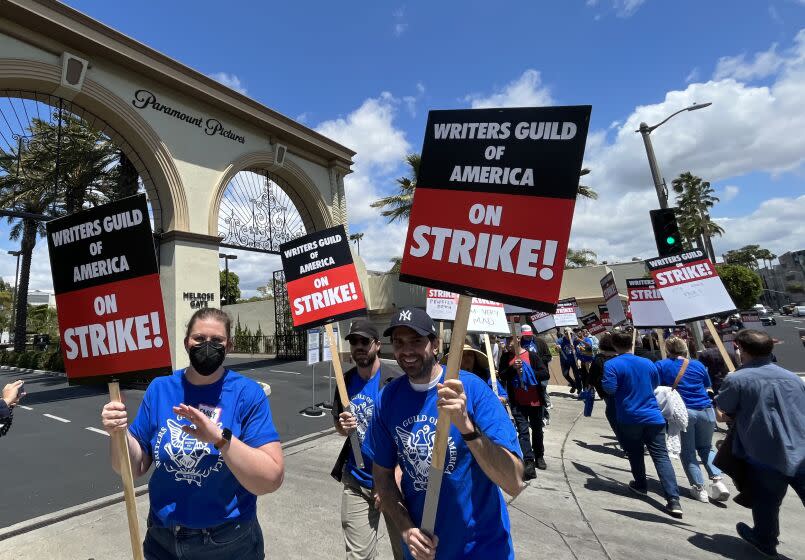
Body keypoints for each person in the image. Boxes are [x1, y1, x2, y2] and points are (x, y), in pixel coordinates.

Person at [101, 308, 284, 560]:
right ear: (187, 341)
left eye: (217, 341)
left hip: (227, 542)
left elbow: (270, 479)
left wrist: (220, 439)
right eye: (199, 339)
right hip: (163, 538)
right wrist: (117, 433)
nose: (207, 347)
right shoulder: (160, 388)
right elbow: (133, 467)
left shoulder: (247, 394)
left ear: (228, 345)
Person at [365, 307, 524, 559]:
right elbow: (382, 475)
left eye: (416, 341)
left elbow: (513, 481)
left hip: (482, 548)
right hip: (425, 551)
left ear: (435, 344)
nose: (406, 350)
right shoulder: (388, 399)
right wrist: (406, 530)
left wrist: (466, 427)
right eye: (398, 342)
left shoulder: (472, 389)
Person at [714, 329, 805, 558]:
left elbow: (723, 412)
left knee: (766, 502)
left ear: (741, 350)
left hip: (764, 453)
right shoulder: (793, 378)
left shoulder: (736, 379)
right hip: (800, 449)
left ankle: (765, 540)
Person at [331, 319, 403, 560]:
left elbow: (408, 434)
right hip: (357, 481)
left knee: (407, 553)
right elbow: (340, 427)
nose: (359, 347)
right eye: (354, 342)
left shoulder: (395, 383)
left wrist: (393, 480)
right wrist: (342, 427)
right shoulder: (345, 383)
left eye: (364, 341)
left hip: (396, 484)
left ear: (377, 345)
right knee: (358, 557)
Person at [602, 330, 683, 518]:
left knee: (635, 452)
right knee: (661, 456)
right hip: (653, 416)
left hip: (629, 416)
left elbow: (609, 389)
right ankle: (673, 499)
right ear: (632, 343)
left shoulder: (611, 364)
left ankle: (640, 484)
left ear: (614, 345)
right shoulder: (648, 363)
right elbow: (655, 384)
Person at [656, 337, 729, 503]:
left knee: (688, 452)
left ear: (668, 350)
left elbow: (657, 387)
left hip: (684, 412)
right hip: (706, 409)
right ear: (684, 349)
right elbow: (707, 386)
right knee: (706, 447)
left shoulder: (661, 365)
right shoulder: (697, 365)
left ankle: (699, 488)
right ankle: (717, 480)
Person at [499, 336, 550, 479]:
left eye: (509, 341)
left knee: (537, 429)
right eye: (506, 341)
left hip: (535, 401)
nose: (507, 344)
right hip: (517, 402)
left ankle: (539, 455)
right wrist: (513, 368)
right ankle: (528, 462)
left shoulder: (532, 356)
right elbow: (502, 376)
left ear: (517, 340)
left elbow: (545, 373)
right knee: (523, 431)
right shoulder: (505, 358)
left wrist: (527, 371)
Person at [587, 333, 621, 451]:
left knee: (613, 416)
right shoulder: (621, 358)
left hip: (608, 393)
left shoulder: (599, 359)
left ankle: (624, 442)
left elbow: (592, 376)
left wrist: (590, 387)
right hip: (623, 392)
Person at [520, 324, 553, 424]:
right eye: (526, 335)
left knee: (541, 393)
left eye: (529, 334)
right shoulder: (519, 343)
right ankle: (536, 416)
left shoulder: (540, 342)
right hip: (527, 375)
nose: (528, 336)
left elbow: (548, 356)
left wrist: (537, 361)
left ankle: (544, 416)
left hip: (540, 373)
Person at [556, 328, 582, 394]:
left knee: (577, 375)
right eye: (566, 333)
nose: (568, 335)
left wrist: (576, 348)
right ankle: (573, 385)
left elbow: (581, 347)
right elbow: (556, 350)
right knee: (565, 374)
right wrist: (557, 348)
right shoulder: (560, 340)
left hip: (574, 360)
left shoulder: (575, 339)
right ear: (564, 334)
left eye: (570, 333)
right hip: (564, 361)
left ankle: (579, 389)